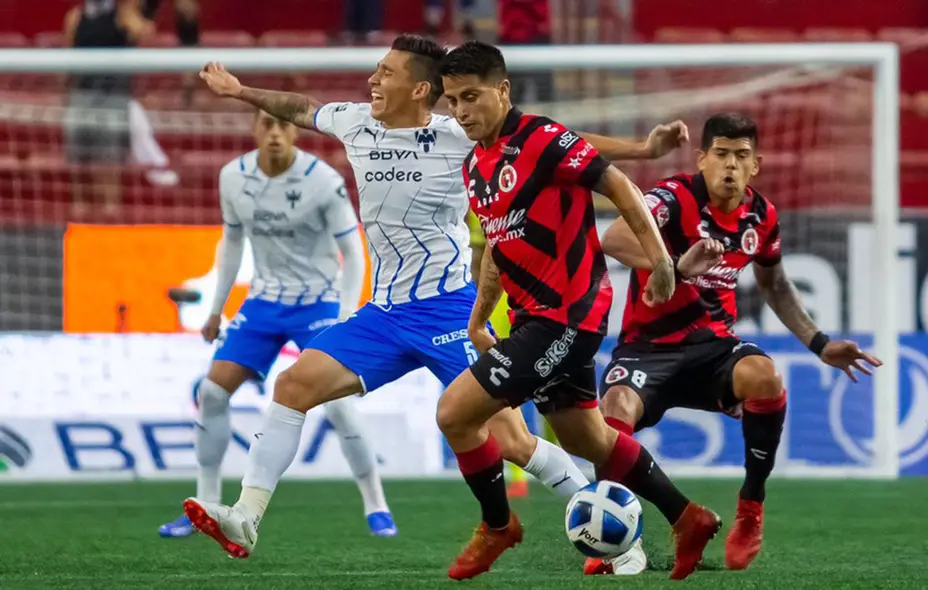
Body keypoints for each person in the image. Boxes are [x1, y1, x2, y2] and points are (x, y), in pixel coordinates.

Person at [184, 34, 683, 567]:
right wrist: (240, 92)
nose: (374, 80)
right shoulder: (354, 122)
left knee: (512, 441)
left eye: (386, 72)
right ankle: (248, 515)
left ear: (421, 88)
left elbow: (561, 143)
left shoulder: (457, 133)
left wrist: (643, 150)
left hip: (446, 309)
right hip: (384, 313)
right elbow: (301, 108)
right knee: (293, 386)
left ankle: (619, 543)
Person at [436, 40, 720, 581]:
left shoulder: (541, 138)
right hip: (530, 318)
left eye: (471, 96)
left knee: (455, 413)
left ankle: (498, 526)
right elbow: (499, 243)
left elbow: (619, 185)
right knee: (587, 440)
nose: (461, 110)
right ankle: (688, 517)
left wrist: (660, 259)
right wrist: (479, 316)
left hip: (567, 313)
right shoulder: (476, 165)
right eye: (452, 100)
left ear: (503, 90)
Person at [596, 113, 883, 573]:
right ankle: (619, 543)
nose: (730, 166)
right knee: (613, 414)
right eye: (722, 155)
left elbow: (774, 286)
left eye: (741, 157)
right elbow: (615, 238)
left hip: (712, 347)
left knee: (765, 376)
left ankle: (750, 508)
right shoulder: (672, 197)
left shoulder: (761, 216)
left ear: (757, 165)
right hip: (647, 346)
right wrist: (673, 264)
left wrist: (819, 342)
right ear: (702, 159)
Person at [158, 109, 396, 538]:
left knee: (338, 404)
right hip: (264, 302)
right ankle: (206, 505)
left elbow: (355, 253)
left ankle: (375, 503)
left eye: (283, 125)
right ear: (254, 129)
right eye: (266, 125)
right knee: (212, 392)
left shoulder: (323, 180)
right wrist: (215, 309)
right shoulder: (232, 176)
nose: (274, 134)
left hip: (318, 301)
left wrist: (343, 317)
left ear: (294, 131)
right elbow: (231, 244)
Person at [62, 0, 153, 216]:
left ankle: (110, 211)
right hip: (81, 97)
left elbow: (146, 35)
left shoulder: (122, 15)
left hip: (113, 99)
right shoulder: (76, 16)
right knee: (78, 160)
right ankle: (80, 211)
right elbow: (66, 59)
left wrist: (133, 13)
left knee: (109, 161)